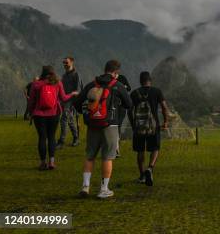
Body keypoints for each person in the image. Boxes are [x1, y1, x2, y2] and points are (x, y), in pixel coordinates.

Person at [74, 60, 132, 199]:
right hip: (110, 125)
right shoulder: (117, 86)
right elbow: (129, 104)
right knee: (107, 157)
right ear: (116, 73)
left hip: (93, 125)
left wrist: (87, 114)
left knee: (90, 155)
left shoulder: (92, 84)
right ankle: (103, 189)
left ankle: (85, 186)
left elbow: (77, 102)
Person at [27, 66, 78, 170]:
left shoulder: (36, 84)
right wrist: (72, 94)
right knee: (51, 137)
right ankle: (51, 162)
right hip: (53, 114)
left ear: (43, 73)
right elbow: (63, 98)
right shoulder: (57, 83)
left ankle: (42, 163)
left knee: (42, 138)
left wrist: (30, 113)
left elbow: (31, 101)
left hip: (39, 115)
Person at [130, 71, 169, 186]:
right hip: (153, 126)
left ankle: (142, 175)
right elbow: (164, 107)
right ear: (150, 80)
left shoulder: (134, 93)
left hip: (139, 128)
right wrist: (165, 121)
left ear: (140, 81)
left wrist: (133, 125)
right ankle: (150, 168)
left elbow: (129, 110)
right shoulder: (157, 91)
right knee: (155, 148)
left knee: (140, 151)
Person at [56, 56, 82, 148]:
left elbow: (78, 90)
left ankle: (61, 141)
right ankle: (76, 138)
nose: (64, 64)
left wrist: (74, 100)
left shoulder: (76, 74)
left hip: (71, 100)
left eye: (66, 62)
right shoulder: (64, 75)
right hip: (64, 99)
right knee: (70, 120)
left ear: (72, 62)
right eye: (64, 63)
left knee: (63, 119)